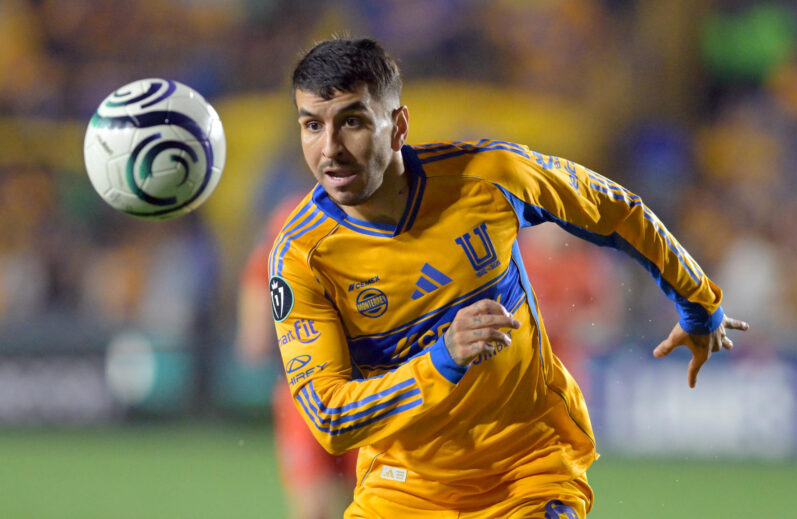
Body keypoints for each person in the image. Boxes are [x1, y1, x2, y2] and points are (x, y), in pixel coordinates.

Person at [268, 38, 748, 518]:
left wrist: (699, 303)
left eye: (351, 121)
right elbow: (330, 417)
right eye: (312, 125)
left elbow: (616, 211)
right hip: (402, 489)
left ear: (397, 127)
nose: (329, 148)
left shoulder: (488, 175)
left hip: (529, 467)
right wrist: (442, 359)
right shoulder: (301, 258)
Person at [236, 194, 358, 519]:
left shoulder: (381, 214)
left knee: (365, 503)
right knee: (312, 507)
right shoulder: (291, 216)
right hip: (306, 388)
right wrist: (255, 332)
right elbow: (261, 274)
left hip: (366, 389)